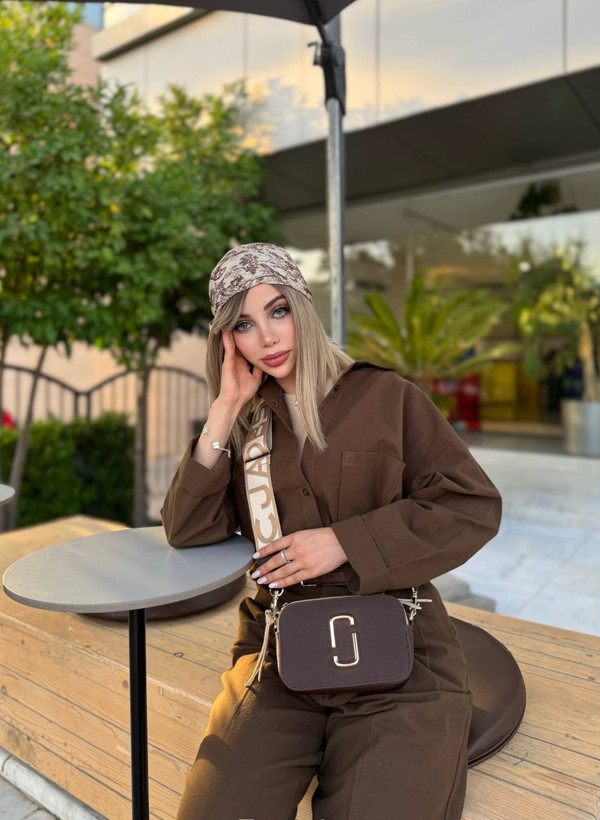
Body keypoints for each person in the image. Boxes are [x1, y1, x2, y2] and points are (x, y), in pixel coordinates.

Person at [161, 242, 502, 820]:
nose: (267, 337)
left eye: (278, 310)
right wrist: (224, 408)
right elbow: (187, 529)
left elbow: (470, 504)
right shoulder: (245, 421)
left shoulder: (386, 398)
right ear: (228, 341)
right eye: (244, 324)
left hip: (399, 650)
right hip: (280, 655)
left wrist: (345, 542)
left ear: (302, 307)